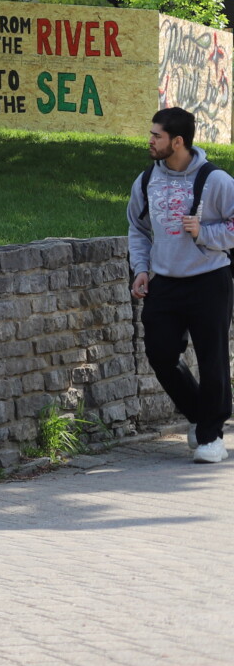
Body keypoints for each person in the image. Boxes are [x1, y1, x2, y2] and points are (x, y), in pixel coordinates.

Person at [127, 107, 234, 464]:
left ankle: (210, 438)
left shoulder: (216, 181)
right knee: (159, 353)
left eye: (156, 135)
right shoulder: (146, 181)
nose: (150, 141)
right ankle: (202, 416)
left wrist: (204, 232)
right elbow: (138, 230)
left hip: (209, 280)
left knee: (212, 359)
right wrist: (141, 268)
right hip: (166, 282)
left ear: (177, 141)